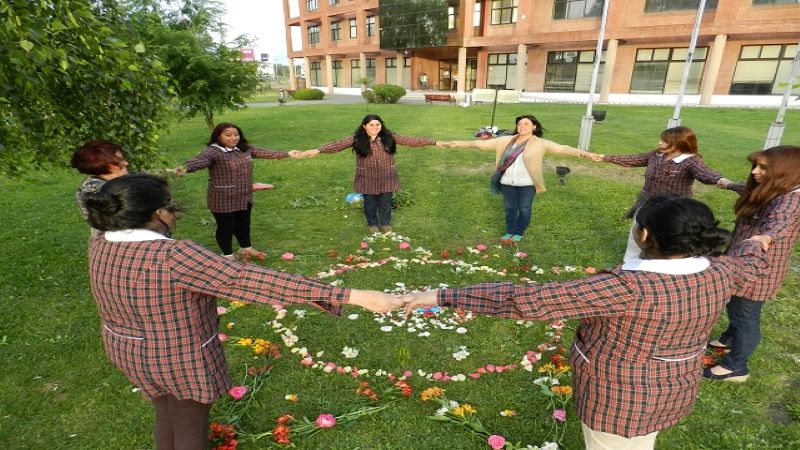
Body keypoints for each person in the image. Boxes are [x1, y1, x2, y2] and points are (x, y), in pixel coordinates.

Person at [403, 196, 770, 450]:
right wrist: (757, 241)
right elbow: (751, 262)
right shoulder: (722, 270)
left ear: (645, 236)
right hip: (673, 388)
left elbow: (525, 300)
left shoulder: (627, 288)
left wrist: (439, 296)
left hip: (621, 399)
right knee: (641, 441)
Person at [82, 174, 399, 450]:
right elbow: (248, 279)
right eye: (172, 205)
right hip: (177, 357)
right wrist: (351, 295)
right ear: (159, 213)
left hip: (126, 350)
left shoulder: (100, 241)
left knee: (165, 413)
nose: (175, 212)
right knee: (190, 425)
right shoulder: (171, 255)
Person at [705, 145, 800, 382]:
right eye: (754, 166)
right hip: (743, 262)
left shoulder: (789, 201)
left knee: (744, 317)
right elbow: (751, 191)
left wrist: (766, 237)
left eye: (763, 168)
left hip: (757, 270)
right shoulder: (774, 190)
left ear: (785, 171)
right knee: (734, 306)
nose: (755, 172)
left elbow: (780, 222)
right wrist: (727, 184)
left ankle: (737, 367)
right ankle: (728, 340)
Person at [438, 115, 601, 244]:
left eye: (526, 124)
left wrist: (586, 154)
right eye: (520, 124)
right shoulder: (505, 141)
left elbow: (562, 148)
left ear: (534, 127)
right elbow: (479, 144)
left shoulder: (540, 143)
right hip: (507, 182)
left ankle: (519, 232)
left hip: (527, 183)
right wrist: (457, 143)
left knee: (524, 209)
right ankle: (509, 230)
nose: (522, 127)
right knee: (510, 208)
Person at [597, 126, 733, 261]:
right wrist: (605, 158)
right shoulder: (656, 155)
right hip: (647, 202)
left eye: (665, 141)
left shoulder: (691, 161)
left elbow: (704, 172)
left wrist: (720, 180)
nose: (659, 143)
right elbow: (634, 159)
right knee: (637, 231)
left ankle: (668, 263)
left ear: (679, 143)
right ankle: (629, 261)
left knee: (671, 238)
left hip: (673, 209)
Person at [176, 123, 303, 260]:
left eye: (236, 135)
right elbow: (199, 161)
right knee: (226, 227)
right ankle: (227, 256)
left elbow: (263, 152)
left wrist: (287, 154)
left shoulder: (243, 148)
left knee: (243, 223)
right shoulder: (213, 151)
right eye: (228, 135)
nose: (233, 138)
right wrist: (185, 168)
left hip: (244, 195)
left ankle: (246, 249)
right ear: (218, 136)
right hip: (223, 198)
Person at [300, 114, 437, 234]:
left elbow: (412, 141)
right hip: (367, 178)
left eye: (378, 124)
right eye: (371, 125)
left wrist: (435, 142)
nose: (375, 127)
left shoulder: (389, 136)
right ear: (364, 126)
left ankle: (385, 224)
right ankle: (372, 224)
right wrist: (318, 150)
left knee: (386, 202)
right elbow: (338, 144)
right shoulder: (357, 138)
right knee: (370, 203)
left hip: (387, 177)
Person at [70, 140, 130, 219]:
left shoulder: (117, 179)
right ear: (103, 166)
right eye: (119, 161)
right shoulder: (96, 191)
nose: (126, 163)